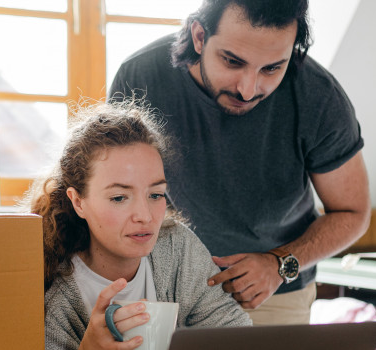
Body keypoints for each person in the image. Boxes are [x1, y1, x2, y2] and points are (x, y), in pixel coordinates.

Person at [108, 0, 371, 325]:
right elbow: (115, 192)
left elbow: (352, 213)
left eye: (272, 68)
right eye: (233, 62)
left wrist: (279, 264)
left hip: (272, 293)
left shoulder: (320, 96)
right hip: (160, 286)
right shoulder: (140, 77)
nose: (248, 90)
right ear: (200, 36)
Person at [25, 101, 252, 350]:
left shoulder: (178, 249)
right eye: (119, 198)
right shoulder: (47, 286)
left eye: (155, 195)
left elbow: (235, 334)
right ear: (78, 202)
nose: (145, 216)